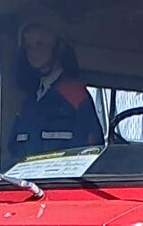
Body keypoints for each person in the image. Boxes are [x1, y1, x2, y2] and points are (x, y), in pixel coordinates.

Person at [7, 18, 103, 163]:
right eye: (28, 47)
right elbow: (14, 150)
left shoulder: (75, 96)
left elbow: (89, 150)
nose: (33, 52)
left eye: (40, 43)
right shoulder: (28, 102)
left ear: (58, 47)